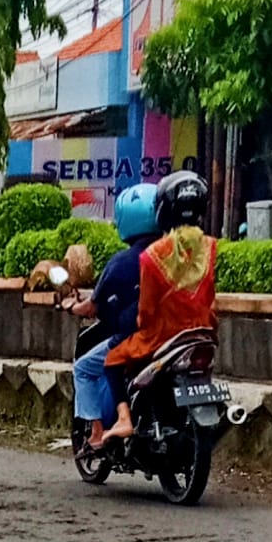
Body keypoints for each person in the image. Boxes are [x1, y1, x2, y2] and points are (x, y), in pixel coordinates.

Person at [101, 171, 218, 444]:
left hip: (162, 336)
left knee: (112, 361)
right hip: (202, 332)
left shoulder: (152, 256)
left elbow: (147, 311)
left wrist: (141, 324)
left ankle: (124, 419)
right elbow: (211, 295)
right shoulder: (210, 247)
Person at [67, 184, 160, 449]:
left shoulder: (122, 262)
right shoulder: (175, 256)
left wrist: (70, 307)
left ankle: (99, 431)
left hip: (138, 337)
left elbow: (91, 308)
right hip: (177, 334)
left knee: (85, 367)